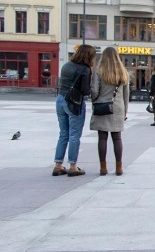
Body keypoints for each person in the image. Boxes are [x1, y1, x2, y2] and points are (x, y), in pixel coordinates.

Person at [52, 44, 96, 177]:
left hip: (60, 99)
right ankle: (73, 166)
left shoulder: (66, 65)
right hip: (74, 102)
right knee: (74, 135)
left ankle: (58, 165)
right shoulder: (85, 69)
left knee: (63, 133)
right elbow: (85, 90)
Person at [90, 47, 130, 176]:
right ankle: (119, 167)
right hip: (117, 107)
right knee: (117, 138)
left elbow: (94, 90)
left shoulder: (99, 70)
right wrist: (125, 111)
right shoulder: (122, 71)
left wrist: (95, 100)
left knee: (102, 137)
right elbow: (126, 94)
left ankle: (103, 167)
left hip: (102, 106)